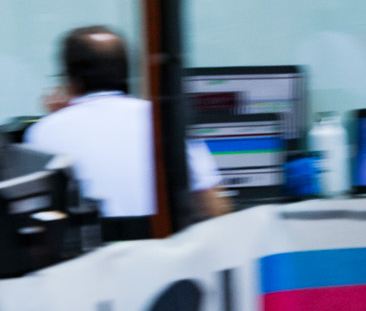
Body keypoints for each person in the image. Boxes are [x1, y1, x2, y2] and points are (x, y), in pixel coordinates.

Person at [23, 26, 228, 238]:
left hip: (89, 266)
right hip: (166, 260)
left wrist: (57, 119)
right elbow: (215, 207)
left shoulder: (43, 133)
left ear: (70, 80)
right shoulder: (164, 121)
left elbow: (35, 225)